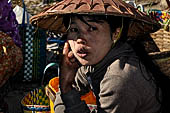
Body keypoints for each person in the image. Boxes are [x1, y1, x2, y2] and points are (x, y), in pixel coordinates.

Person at [30, 0, 170, 113]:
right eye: (74, 30)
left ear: (115, 33)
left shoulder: (118, 79)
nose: (80, 39)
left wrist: (66, 87)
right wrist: (65, 83)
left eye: (92, 28)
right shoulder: (94, 61)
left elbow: (65, 101)